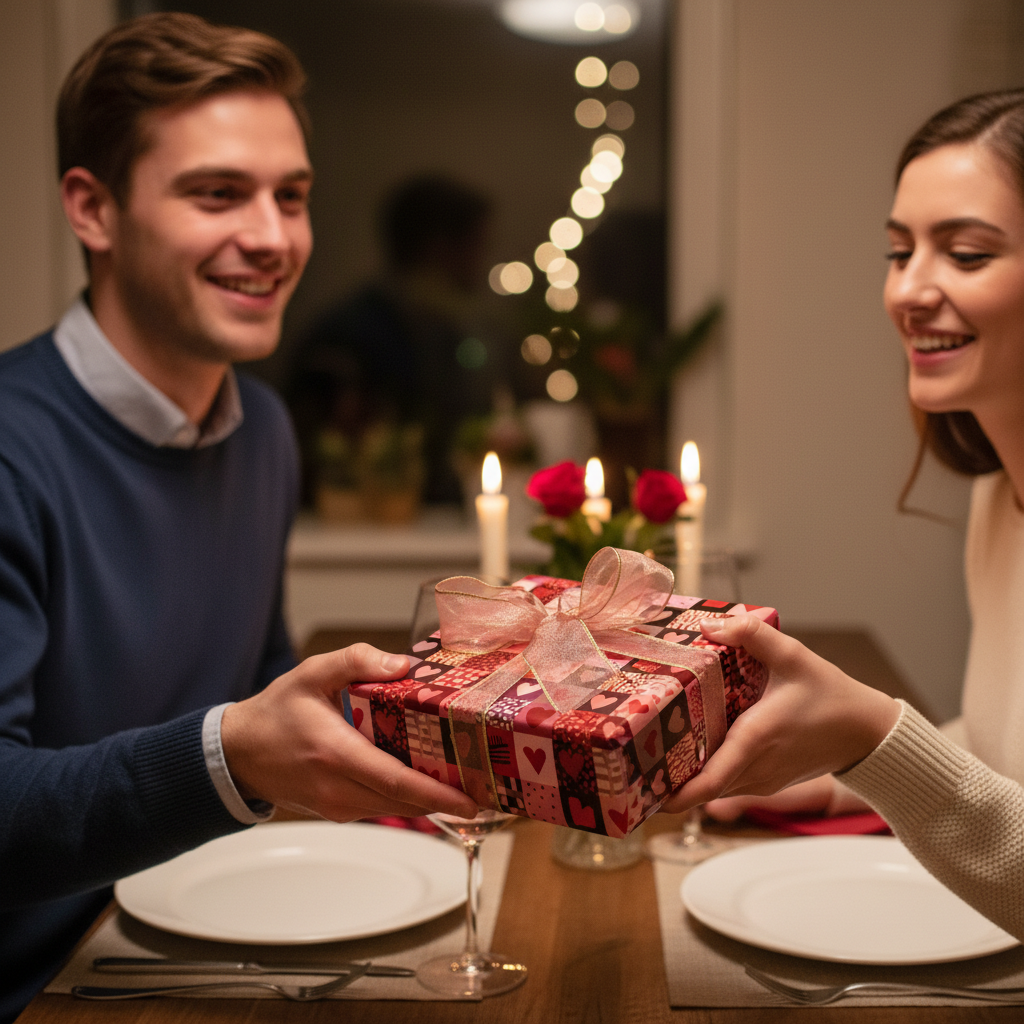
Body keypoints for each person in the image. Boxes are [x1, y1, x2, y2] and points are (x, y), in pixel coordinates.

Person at [0, 13, 475, 1020]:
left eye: (291, 197)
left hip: (206, 945)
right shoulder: (13, 448)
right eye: (218, 193)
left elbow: (256, 681)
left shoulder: (261, 426)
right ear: (93, 209)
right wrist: (233, 752)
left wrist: (481, 707)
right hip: (42, 985)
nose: (273, 237)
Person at [663, 88, 1024, 942]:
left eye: (966, 254)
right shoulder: (998, 502)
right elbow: (1002, 735)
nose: (909, 289)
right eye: (900, 251)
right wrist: (831, 773)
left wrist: (872, 736)